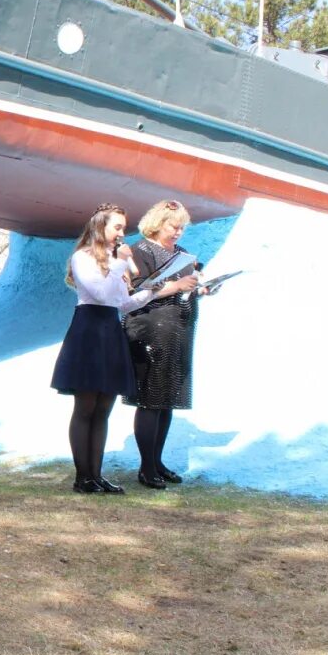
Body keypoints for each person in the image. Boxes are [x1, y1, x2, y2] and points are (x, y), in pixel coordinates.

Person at [50, 203, 197, 494]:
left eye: (122, 227)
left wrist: (151, 290)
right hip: (88, 330)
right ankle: (83, 478)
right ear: (99, 227)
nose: (121, 233)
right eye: (117, 226)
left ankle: (97, 474)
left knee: (104, 408)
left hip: (110, 330)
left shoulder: (115, 261)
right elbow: (100, 293)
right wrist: (120, 262)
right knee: (86, 407)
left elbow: (123, 303)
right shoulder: (83, 257)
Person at [123, 200, 207, 489]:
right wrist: (176, 286)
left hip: (178, 328)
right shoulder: (139, 251)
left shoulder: (182, 254)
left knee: (167, 398)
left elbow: (189, 284)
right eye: (174, 226)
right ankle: (146, 467)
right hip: (149, 328)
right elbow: (134, 292)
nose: (178, 232)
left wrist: (202, 287)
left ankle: (157, 462)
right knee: (151, 398)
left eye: (182, 227)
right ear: (158, 223)